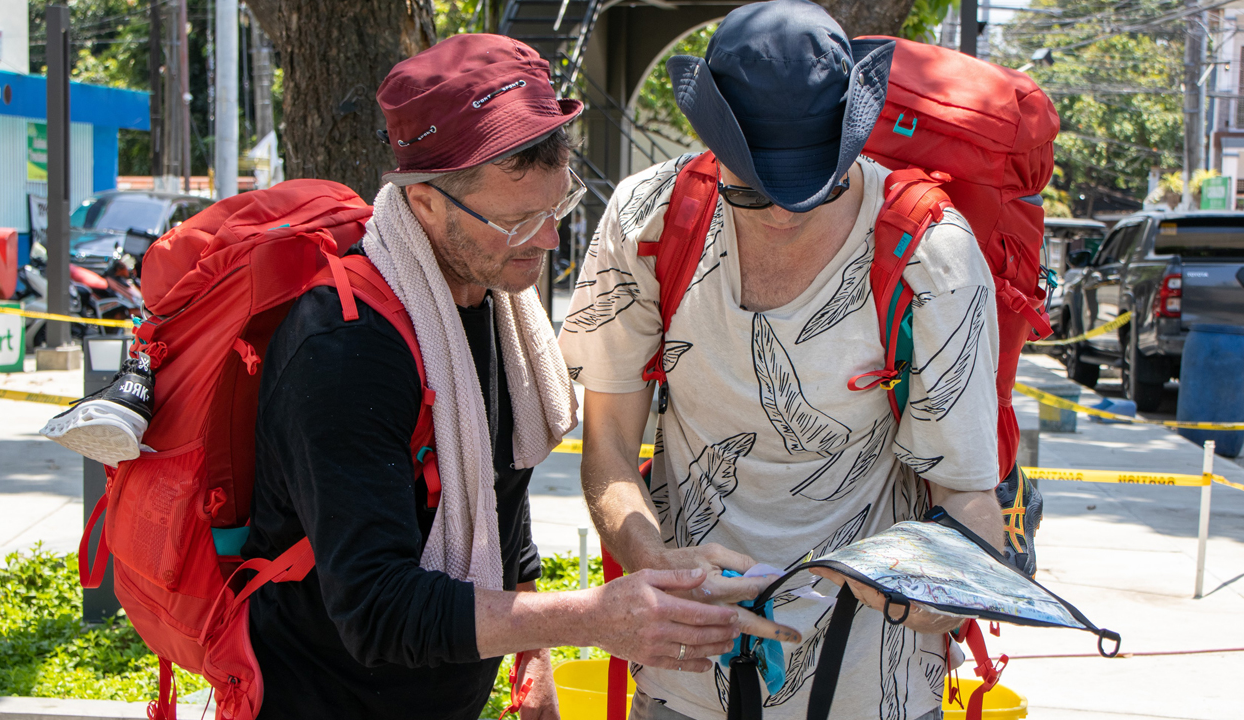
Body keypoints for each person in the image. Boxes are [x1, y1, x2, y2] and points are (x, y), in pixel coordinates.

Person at [241, 34, 796, 720]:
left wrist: (532, 659)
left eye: (557, 209)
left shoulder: (493, 302)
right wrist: (590, 615)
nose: (546, 241)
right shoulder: (346, 349)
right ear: (424, 205)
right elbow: (376, 612)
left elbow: (497, 487)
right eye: (515, 221)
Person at [559, 2, 1005, 719]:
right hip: (686, 672)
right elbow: (608, 447)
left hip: (871, 685)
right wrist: (651, 560)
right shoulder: (649, 215)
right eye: (753, 187)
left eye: (816, 184)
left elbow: (968, 500)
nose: (783, 214)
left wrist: (933, 598)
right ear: (710, 138)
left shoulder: (931, 252)